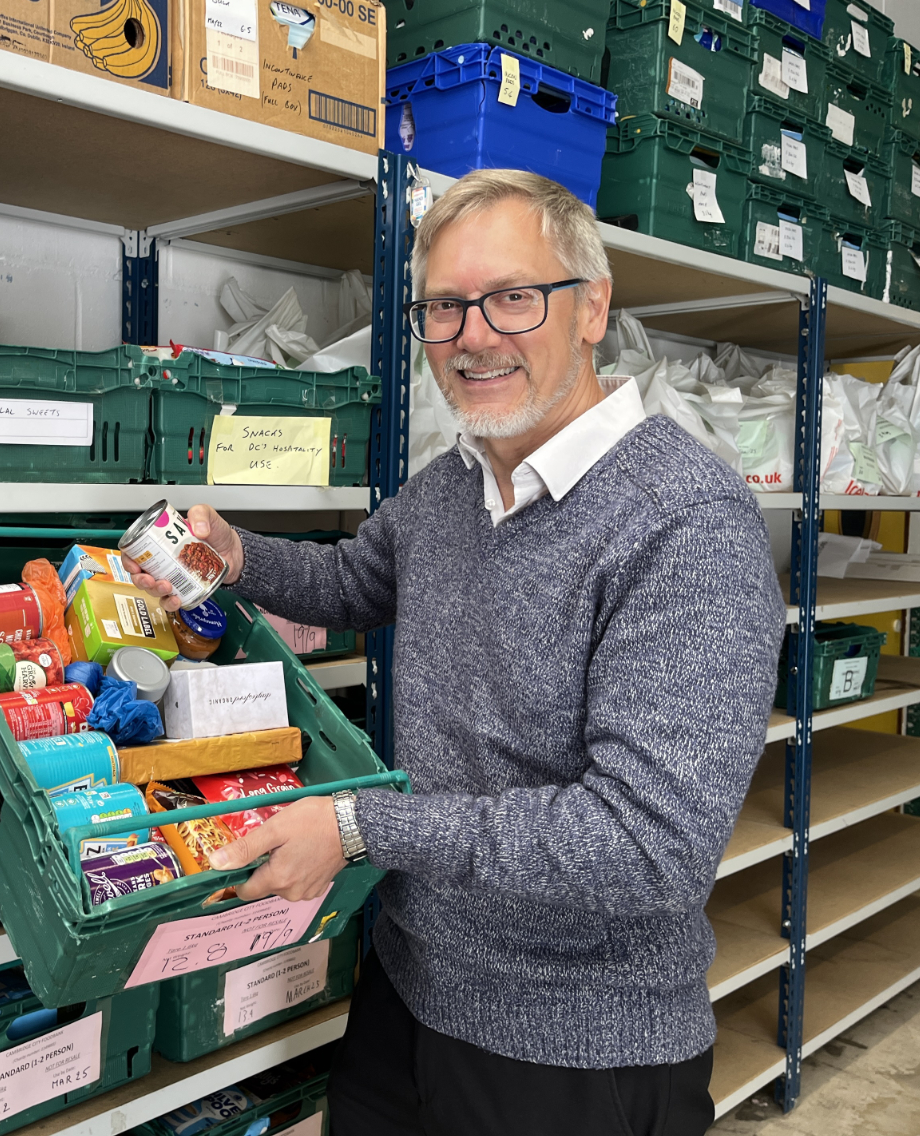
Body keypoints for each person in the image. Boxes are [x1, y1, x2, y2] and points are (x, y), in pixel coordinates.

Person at [124, 169, 786, 1135]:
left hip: (576, 1050)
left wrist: (360, 830)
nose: (473, 335)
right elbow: (358, 584)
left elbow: (647, 849)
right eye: (444, 307)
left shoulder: (687, 524)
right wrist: (238, 556)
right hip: (409, 986)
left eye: (514, 297)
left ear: (593, 306)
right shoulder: (454, 485)